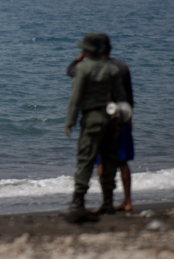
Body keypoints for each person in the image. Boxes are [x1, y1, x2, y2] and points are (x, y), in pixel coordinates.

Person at [64, 33, 127, 223]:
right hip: (111, 118)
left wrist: (70, 121)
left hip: (91, 118)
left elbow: (75, 98)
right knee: (109, 160)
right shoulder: (112, 69)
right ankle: (108, 201)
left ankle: (78, 201)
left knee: (86, 159)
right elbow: (121, 97)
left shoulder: (83, 69)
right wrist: (123, 120)